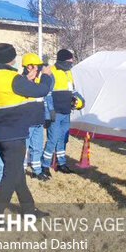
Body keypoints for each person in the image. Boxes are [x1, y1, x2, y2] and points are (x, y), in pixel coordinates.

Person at [0, 43, 52, 215]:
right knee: (10, 177)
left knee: (17, 173)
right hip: (14, 133)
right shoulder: (13, 78)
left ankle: (29, 209)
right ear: (12, 59)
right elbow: (41, 90)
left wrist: (25, 80)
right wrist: (46, 76)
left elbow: (7, 94)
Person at [40, 49, 84, 178]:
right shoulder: (51, 72)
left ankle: (61, 164)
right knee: (52, 140)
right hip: (55, 113)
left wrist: (81, 100)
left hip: (66, 112)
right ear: (62, 60)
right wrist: (50, 112)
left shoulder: (67, 73)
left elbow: (73, 90)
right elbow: (46, 94)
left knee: (62, 139)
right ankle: (45, 166)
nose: (71, 63)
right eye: (69, 61)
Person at [21, 53, 52, 179]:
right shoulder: (21, 82)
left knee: (37, 148)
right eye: (37, 66)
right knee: (24, 148)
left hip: (38, 121)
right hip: (26, 123)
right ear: (28, 67)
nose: (39, 68)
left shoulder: (39, 82)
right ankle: (21, 172)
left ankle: (37, 171)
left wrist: (47, 116)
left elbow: (43, 101)